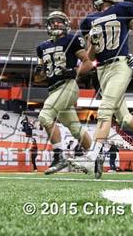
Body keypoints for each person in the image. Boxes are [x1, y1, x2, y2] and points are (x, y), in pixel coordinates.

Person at [70, 0, 133, 178]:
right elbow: (91, 56)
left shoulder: (124, 8)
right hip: (101, 69)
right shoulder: (89, 20)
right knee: (123, 118)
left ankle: (93, 157)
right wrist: (91, 44)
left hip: (120, 65)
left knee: (105, 109)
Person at [36, 11, 94, 175]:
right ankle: (95, 157)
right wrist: (39, 72)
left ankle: (59, 157)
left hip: (68, 86)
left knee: (45, 116)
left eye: (59, 22)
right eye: (53, 22)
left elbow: (88, 64)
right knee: (75, 128)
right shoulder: (42, 47)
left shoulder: (71, 40)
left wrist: (74, 71)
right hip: (53, 89)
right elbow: (40, 77)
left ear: (66, 24)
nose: (56, 24)